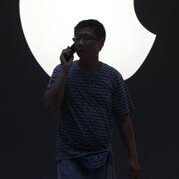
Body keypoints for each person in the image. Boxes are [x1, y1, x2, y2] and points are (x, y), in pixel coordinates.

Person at [44, 19, 140, 179]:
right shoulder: (62, 71)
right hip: (69, 157)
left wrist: (134, 158)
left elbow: (124, 119)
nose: (80, 43)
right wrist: (65, 71)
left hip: (101, 157)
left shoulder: (113, 77)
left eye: (86, 38)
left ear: (100, 43)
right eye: (77, 39)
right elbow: (50, 105)